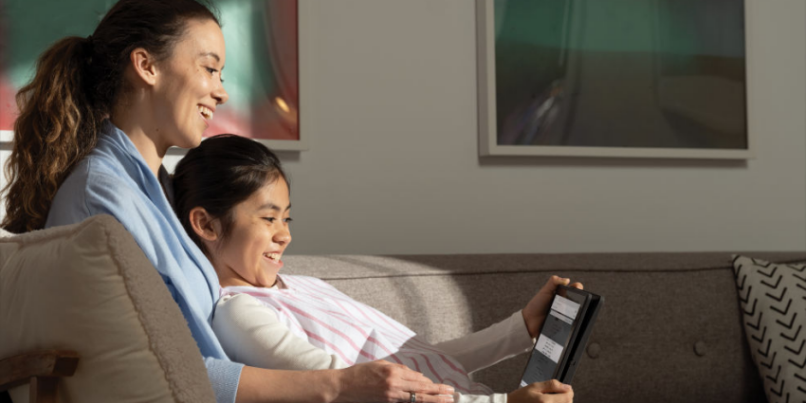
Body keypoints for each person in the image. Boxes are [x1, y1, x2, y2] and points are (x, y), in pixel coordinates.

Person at [2, 1, 454, 402]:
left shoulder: (156, 190)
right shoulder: (102, 196)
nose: (222, 91)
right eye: (209, 68)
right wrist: (338, 386)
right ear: (146, 66)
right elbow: (158, 371)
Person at [172, 134, 580, 403]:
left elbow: (417, 360)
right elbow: (370, 392)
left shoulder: (303, 286)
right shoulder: (241, 313)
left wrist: (520, 329)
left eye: (287, 220)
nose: (285, 236)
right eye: (268, 218)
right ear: (206, 224)